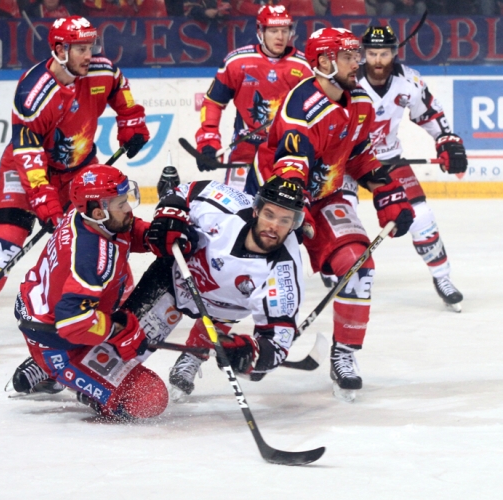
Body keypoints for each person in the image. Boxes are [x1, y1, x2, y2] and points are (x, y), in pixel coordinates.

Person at [0, 15, 149, 350]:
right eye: (80, 48)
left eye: (89, 47)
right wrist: (45, 203)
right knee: (8, 237)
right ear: (60, 49)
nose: (87, 54)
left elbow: (120, 89)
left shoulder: (101, 72)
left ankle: (118, 305)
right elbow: (29, 157)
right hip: (25, 167)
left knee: (104, 233)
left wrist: (132, 124)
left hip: (78, 169)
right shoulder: (33, 94)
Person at [250, 28, 415, 401]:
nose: (357, 62)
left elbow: (358, 155)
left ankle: (344, 354)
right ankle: (195, 358)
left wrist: (388, 193)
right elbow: (290, 174)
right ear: (324, 62)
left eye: (357, 55)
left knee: (358, 265)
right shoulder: (301, 109)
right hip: (277, 201)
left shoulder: (358, 100)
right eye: (349, 56)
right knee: (239, 273)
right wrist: (299, 220)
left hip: (323, 195)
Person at [9, 165, 172, 420]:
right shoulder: (90, 258)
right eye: (121, 204)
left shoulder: (89, 217)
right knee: (148, 399)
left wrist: (155, 236)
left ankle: (61, 368)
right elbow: (72, 322)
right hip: (57, 338)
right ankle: (56, 369)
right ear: (98, 212)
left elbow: (128, 232)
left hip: (56, 313)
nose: (129, 208)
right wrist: (117, 330)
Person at [337, 26, 467, 312]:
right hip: (346, 161)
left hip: (389, 158)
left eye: (384, 53)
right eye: (372, 53)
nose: (379, 60)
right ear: (363, 54)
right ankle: (338, 271)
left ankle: (442, 277)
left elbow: (431, 114)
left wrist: (445, 140)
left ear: (394, 53)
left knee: (422, 216)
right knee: (343, 217)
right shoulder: (346, 80)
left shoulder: (409, 81)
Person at [143, 178, 307, 401]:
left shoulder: (283, 274)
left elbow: (277, 342)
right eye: (269, 215)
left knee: (225, 317)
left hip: (225, 307)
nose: (274, 226)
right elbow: (186, 190)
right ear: (256, 209)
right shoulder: (228, 208)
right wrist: (171, 207)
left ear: (294, 225)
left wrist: (251, 356)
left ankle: (195, 353)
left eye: (285, 220)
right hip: (177, 277)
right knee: (127, 346)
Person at [194, 5, 312, 190]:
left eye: (284, 30)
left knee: (284, 214)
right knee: (237, 211)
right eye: (273, 30)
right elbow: (213, 103)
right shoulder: (237, 62)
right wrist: (208, 142)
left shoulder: (304, 67)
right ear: (260, 31)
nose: (280, 36)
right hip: (244, 153)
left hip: (287, 154)